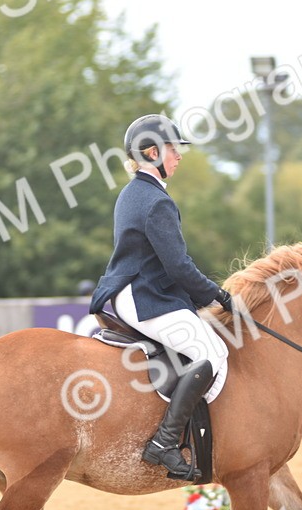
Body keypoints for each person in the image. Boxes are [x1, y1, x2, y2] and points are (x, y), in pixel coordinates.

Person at [89, 114, 233, 479]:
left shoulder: (133, 193)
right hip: (145, 296)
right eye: (173, 149)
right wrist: (218, 296)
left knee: (204, 347)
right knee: (210, 353)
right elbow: (179, 267)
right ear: (152, 153)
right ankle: (164, 443)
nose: (179, 156)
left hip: (132, 292)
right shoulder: (156, 202)